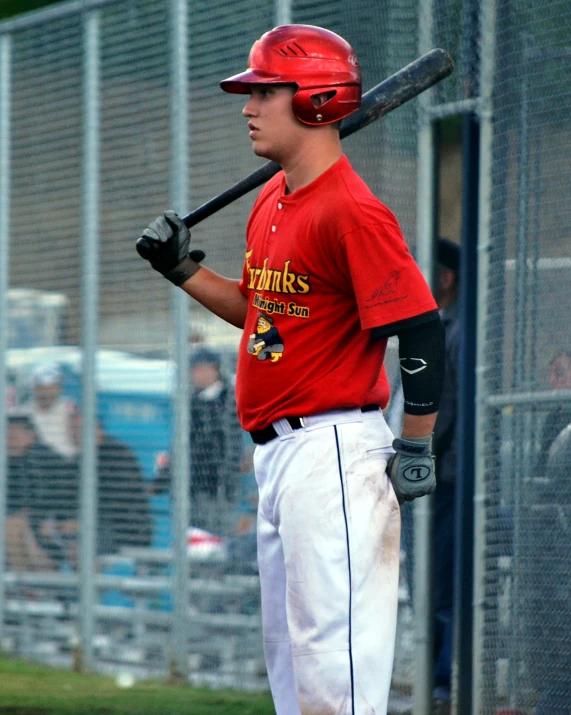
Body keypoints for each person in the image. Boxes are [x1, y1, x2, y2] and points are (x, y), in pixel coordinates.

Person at [137, 24, 445, 714]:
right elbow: (259, 315)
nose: (247, 106)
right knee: (293, 665)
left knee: (334, 673)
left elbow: (419, 325)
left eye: (265, 91)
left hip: (334, 449)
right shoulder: (273, 200)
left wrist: (417, 441)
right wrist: (180, 269)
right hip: (280, 456)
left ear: (314, 99)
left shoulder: (352, 211)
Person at [152, 347, 243, 535]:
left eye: (198, 369)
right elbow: (181, 446)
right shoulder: (191, 402)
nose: (194, 374)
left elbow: (229, 446)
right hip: (191, 489)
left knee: (215, 539)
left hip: (219, 490)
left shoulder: (232, 401)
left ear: (214, 369)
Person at [431, 238, 461, 713]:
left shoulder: (456, 330)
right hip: (436, 475)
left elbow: (448, 407)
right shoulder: (437, 326)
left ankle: (444, 680)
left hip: (450, 477)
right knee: (433, 581)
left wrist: (417, 454)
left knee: (446, 582)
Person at [68, 410, 153, 555]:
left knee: (82, 549)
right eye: (72, 431)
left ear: (97, 429)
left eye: (79, 430)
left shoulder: (118, 455)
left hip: (124, 528)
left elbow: (117, 503)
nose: (75, 436)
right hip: (94, 526)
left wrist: (84, 524)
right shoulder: (79, 460)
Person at [5, 407, 75, 571]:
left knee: (12, 526)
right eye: (7, 437)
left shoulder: (39, 458)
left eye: (15, 436)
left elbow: (42, 499)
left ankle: (26, 589)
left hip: (52, 530)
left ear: (32, 436)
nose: (10, 441)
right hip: (37, 526)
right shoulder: (13, 461)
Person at [24, 363, 77, 460]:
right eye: (42, 387)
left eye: (52, 387)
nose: (47, 392)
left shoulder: (72, 410)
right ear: (33, 388)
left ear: (59, 388)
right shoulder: (23, 414)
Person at [535, 349, 571, 474]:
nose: (552, 380)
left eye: (560, 373)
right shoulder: (553, 417)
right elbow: (542, 462)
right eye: (550, 374)